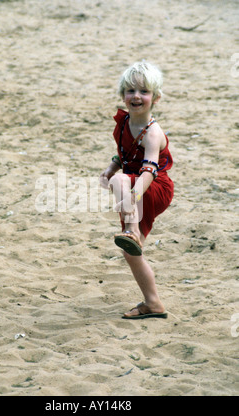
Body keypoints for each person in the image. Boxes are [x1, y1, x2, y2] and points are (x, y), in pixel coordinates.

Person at [100, 60, 174, 319]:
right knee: (131, 253)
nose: (136, 96)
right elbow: (124, 153)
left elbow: (150, 169)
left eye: (144, 91)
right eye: (130, 91)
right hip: (134, 186)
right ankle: (153, 303)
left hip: (154, 186)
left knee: (120, 182)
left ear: (156, 98)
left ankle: (130, 231)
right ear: (123, 95)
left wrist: (132, 193)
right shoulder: (122, 125)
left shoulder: (153, 132)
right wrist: (111, 167)